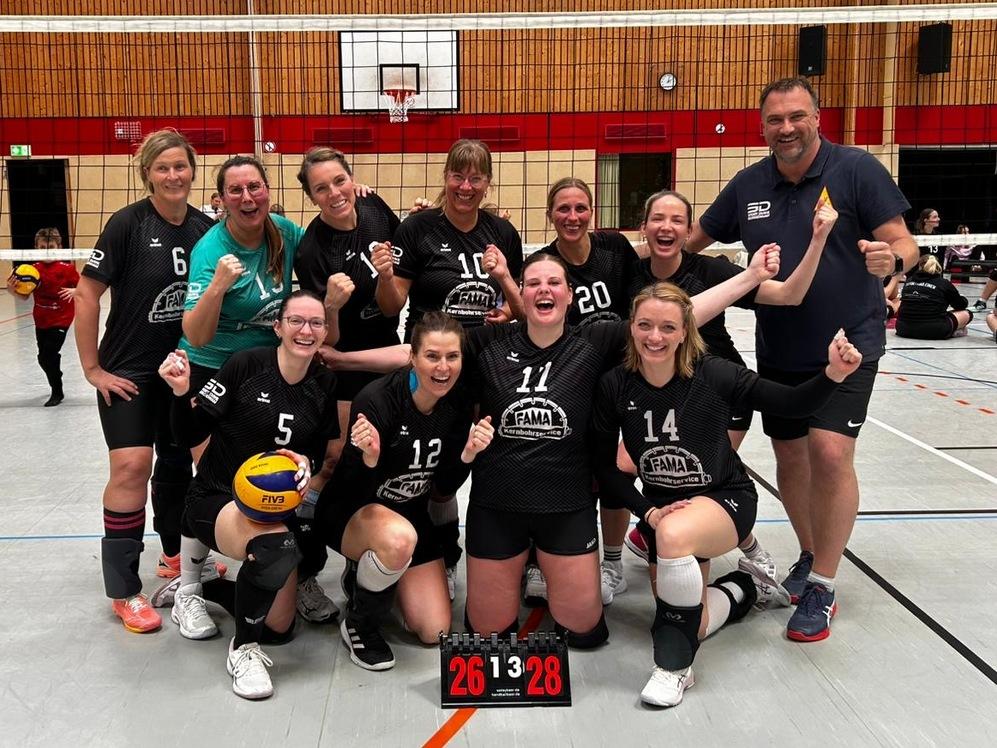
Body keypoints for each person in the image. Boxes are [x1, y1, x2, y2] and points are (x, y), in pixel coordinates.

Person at [322, 246, 782, 649]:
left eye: (554, 282)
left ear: (568, 294)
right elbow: (416, 354)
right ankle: (514, 568)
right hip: (498, 504)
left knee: (583, 631)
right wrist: (343, 360)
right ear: (521, 293)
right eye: (534, 283)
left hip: (566, 505)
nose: (545, 290)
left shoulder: (595, 339)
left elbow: (672, 318)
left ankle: (733, 586)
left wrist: (750, 277)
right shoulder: (489, 341)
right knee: (486, 634)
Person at [687, 76, 919, 641]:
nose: (786, 128)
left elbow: (905, 242)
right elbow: (686, 241)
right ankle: (812, 554)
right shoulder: (748, 185)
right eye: (775, 119)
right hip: (781, 349)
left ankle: (824, 584)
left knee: (829, 452)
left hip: (848, 344)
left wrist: (892, 261)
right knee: (790, 459)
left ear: (817, 118)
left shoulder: (856, 170)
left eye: (797, 116)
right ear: (762, 125)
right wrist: (613, 257)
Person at [591, 282, 864, 707]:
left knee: (671, 604)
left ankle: (674, 669)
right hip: (666, 513)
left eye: (667, 327)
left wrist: (832, 375)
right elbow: (606, 469)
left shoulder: (714, 374)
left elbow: (790, 404)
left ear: (685, 331)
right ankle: (747, 586)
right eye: (644, 325)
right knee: (690, 620)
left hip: (726, 499)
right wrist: (649, 513)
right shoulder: (616, 385)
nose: (655, 337)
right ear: (632, 328)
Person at [623, 188, 838, 608]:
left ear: (689, 230)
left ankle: (750, 562)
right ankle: (706, 546)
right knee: (645, 470)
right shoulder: (630, 271)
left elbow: (790, 294)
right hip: (658, 395)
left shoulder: (711, 271)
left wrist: (817, 240)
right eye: (657, 219)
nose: (666, 227)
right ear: (644, 226)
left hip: (716, 394)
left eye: (677, 220)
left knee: (702, 483)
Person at [161, 290, 339, 699]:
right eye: (296, 320)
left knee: (280, 627)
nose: (306, 330)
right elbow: (189, 434)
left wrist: (305, 462)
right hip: (215, 497)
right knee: (276, 549)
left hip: (272, 508)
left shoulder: (324, 382)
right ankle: (242, 649)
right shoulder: (246, 366)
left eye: (316, 323)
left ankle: (200, 591)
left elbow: (315, 448)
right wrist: (179, 393)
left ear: (326, 331)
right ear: (277, 327)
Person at [74, 129, 218, 633]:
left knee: (180, 464)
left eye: (181, 166)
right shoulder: (126, 225)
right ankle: (124, 590)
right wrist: (92, 369)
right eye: (163, 168)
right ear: (148, 174)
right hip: (130, 372)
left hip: (184, 370)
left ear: (192, 171)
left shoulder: (205, 227)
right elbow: (86, 294)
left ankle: (175, 557)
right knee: (134, 466)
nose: (173, 175)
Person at [368, 138, 525, 601]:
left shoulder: (502, 233)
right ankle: (422, 556)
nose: (466, 185)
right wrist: (382, 275)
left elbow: (518, 309)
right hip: (432, 370)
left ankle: (477, 555)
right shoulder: (417, 229)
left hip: (487, 367)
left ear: (488, 182)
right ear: (445, 178)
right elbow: (392, 304)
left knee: (474, 463)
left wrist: (503, 289)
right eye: (458, 175)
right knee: (426, 469)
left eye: (476, 177)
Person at [319, 312, 493, 671]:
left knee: (434, 629)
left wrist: (467, 455)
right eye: (432, 356)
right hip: (352, 511)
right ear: (412, 356)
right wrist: (369, 459)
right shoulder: (378, 399)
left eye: (452, 357)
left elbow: (442, 489)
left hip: (410, 517)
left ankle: (373, 573)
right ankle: (360, 622)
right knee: (397, 541)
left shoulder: (458, 403)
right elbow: (351, 488)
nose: (442, 367)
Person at [292, 147, 403, 622]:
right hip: (338, 364)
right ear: (311, 196)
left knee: (384, 460)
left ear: (352, 178)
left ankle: (368, 560)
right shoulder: (312, 251)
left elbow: (394, 306)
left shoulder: (377, 209)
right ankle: (305, 565)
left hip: (384, 355)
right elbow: (326, 339)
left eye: (340, 181)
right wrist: (332, 306)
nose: (334, 193)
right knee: (335, 459)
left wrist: (386, 274)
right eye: (321, 187)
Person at [534, 177, 641, 606]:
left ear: (591, 212)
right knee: (568, 471)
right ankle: (546, 557)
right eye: (563, 209)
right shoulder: (546, 264)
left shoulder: (615, 250)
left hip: (622, 380)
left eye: (580, 208)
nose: (572, 217)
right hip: (574, 381)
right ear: (550, 215)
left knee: (617, 471)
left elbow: (640, 309)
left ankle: (612, 562)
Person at [180, 155, 306, 405]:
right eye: (235, 190)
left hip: (269, 364)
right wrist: (217, 288)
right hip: (214, 367)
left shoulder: (284, 231)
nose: (247, 198)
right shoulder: (211, 251)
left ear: (267, 191)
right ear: (222, 200)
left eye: (254, 187)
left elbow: (324, 245)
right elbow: (195, 336)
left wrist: (356, 201)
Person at [6, 227, 79, 406]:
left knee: (48, 355)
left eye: (51, 246)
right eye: (42, 247)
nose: (46, 251)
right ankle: (56, 375)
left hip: (62, 318)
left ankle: (57, 391)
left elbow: (85, 288)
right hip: (41, 319)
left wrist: (75, 290)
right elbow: (24, 296)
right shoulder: (30, 270)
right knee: (43, 358)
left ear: (59, 247)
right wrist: (11, 290)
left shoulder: (67, 269)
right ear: (35, 248)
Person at [895, 255, 972, 339]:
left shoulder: (909, 281)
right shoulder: (943, 283)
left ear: (919, 266)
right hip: (934, 330)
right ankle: (953, 330)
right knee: (967, 314)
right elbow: (960, 305)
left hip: (903, 329)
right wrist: (962, 298)